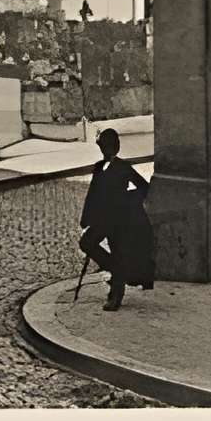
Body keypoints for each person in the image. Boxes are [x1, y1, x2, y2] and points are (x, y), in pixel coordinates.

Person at [80, 126, 155, 311]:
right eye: (103, 146)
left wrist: (127, 200)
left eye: (107, 146)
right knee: (86, 243)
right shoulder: (99, 167)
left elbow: (143, 187)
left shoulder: (123, 167)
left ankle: (116, 296)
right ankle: (117, 270)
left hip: (119, 220)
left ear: (115, 147)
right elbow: (92, 194)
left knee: (119, 254)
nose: (105, 149)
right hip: (101, 219)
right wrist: (86, 218)